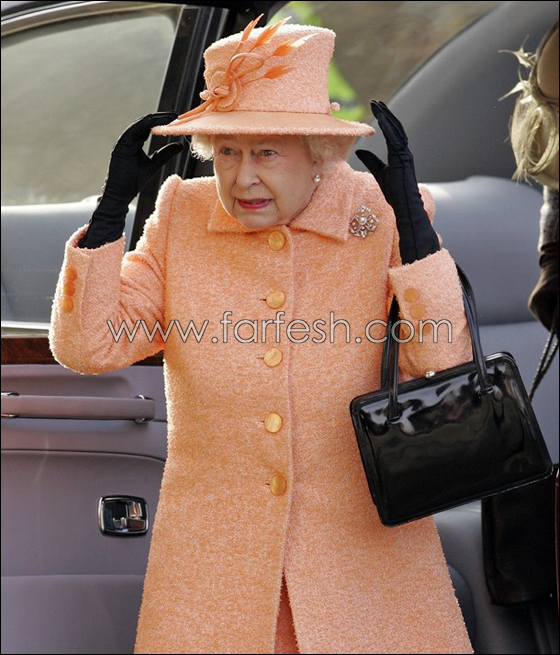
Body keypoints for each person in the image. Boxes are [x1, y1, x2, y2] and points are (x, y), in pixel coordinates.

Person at [49, 15, 474, 654]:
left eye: (266, 152)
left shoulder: (380, 215)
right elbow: (89, 346)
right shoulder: (183, 215)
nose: (243, 178)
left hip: (364, 570)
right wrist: (111, 217)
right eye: (227, 151)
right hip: (214, 573)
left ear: (318, 152)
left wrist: (416, 247)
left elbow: (442, 370)